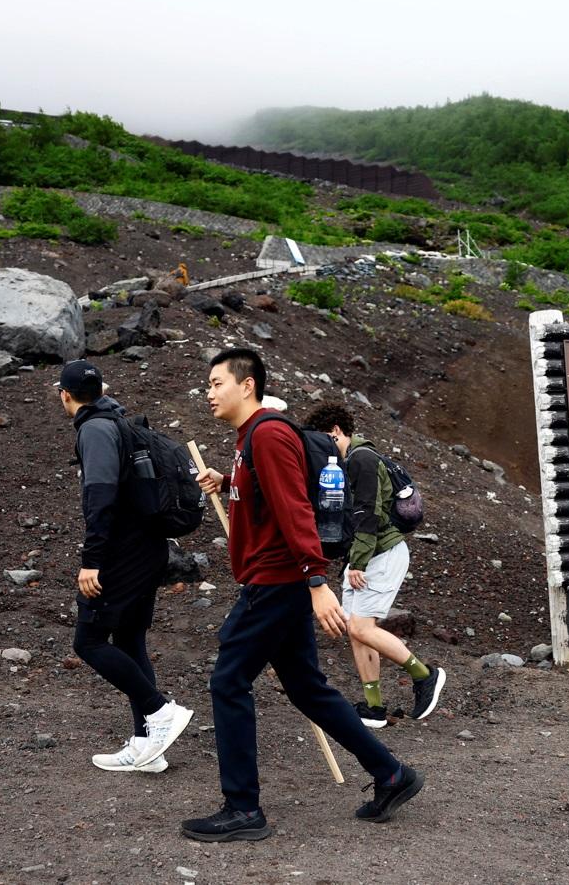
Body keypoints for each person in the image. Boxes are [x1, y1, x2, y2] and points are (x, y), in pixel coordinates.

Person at [182, 348, 423, 842]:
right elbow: (270, 497)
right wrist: (228, 481)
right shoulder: (250, 439)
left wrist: (316, 580)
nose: (208, 393)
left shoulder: (267, 434)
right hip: (282, 579)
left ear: (246, 385)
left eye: (215, 383)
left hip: (277, 580)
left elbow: (293, 508)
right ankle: (392, 774)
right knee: (307, 688)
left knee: (228, 681)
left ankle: (243, 809)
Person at [55, 359, 193, 774]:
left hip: (121, 554)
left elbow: (101, 497)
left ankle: (160, 712)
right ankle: (147, 746)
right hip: (148, 549)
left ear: (65, 395)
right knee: (131, 641)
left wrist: (91, 561)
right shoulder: (117, 422)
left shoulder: (95, 430)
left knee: (89, 641)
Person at [302, 403, 444, 728]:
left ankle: (425, 675)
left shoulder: (362, 459)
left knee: (361, 627)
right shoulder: (345, 462)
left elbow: (368, 514)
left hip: (381, 554)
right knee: (357, 632)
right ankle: (374, 707)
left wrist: (358, 562)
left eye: (322, 439)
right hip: (365, 556)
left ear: (336, 430)